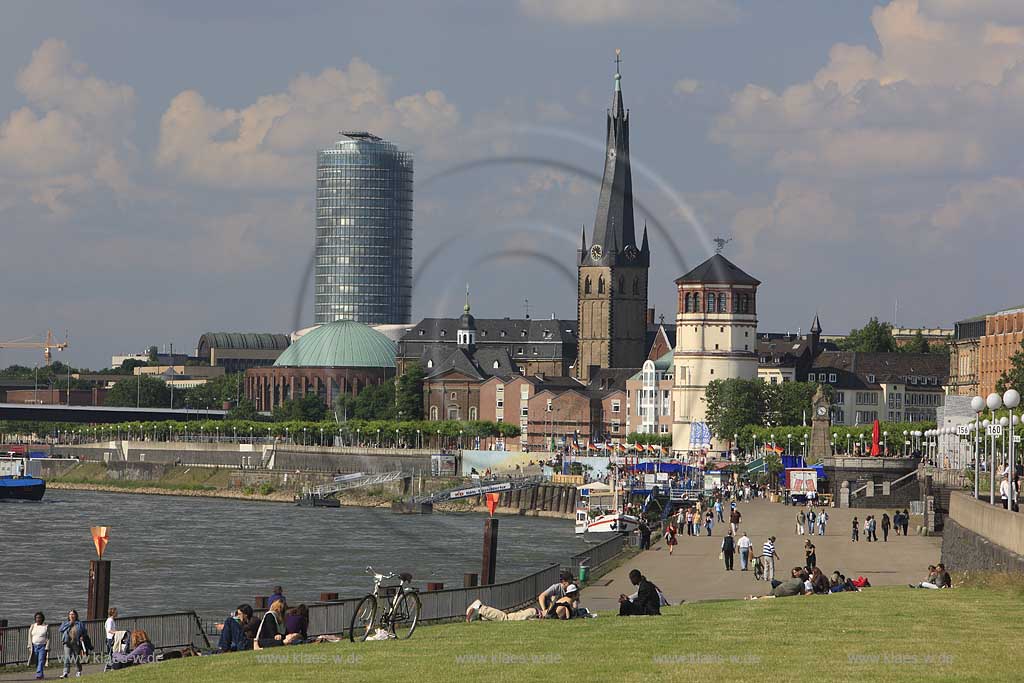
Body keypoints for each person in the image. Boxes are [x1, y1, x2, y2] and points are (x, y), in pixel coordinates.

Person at [466, 584, 585, 621]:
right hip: (533, 614)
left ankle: (481, 616)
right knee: (505, 618)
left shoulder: (563, 601)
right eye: (578, 593)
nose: (579, 595)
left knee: (505, 618)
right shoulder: (565, 605)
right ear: (574, 594)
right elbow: (555, 617)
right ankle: (480, 608)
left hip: (534, 613)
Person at [59, 609, 91, 679]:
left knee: (76, 658)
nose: (72, 616)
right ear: (68, 616)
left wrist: (82, 636)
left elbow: (84, 632)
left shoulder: (80, 623)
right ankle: (65, 672)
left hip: (76, 643)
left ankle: (78, 671)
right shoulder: (65, 623)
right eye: (70, 614)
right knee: (67, 657)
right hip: (67, 642)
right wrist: (69, 623)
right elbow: (61, 629)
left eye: (73, 614)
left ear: (76, 615)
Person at [28, 612, 48, 680]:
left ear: (42, 618)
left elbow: (49, 638)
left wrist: (47, 646)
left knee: (41, 660)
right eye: (37, 618)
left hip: (42, 646)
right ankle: (41, 675)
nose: (38, 619)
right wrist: (29, 645)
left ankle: (38, 674)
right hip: (34, 646)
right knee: (36, 661)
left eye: (39, 618)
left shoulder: (46, 626)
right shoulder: (33, 626)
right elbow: (30, 636)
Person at [103, 607, 117, 671]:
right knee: (111, 653)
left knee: (111, 653)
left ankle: (110, 665)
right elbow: (109, 630)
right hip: (110, 639)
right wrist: (117, 633)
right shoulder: (110, 620)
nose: (117, 613)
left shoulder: (111, 620)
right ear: (113, 613)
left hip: (111, 638)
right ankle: (111, 665)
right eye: (116, 612)